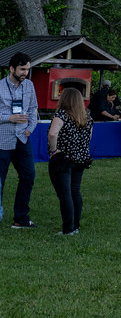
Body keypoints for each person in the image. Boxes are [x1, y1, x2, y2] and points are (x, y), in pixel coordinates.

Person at [47, 88, 92, 235]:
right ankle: (75, 226)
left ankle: (68, 228)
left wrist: (54, 151)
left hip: (63, 158)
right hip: (80, 158)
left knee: (65, 194)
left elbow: (53, 133)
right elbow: (89, 137)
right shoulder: (87, 116)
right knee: (75, 191)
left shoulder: (61, 115)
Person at [1, 52, 39, 228]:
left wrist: (30, 129)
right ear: (12, 68)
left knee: (28, 176)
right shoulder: (0, 86)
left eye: (28, 69)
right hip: (2, 140)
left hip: (23, 139)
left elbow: (33, 109)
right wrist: (10, 118)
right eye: (22, 69)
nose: (25, 72)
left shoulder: (29, 86)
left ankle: (21, 218)